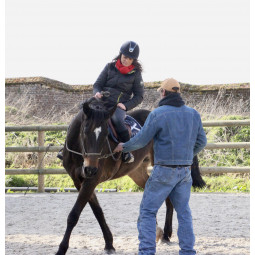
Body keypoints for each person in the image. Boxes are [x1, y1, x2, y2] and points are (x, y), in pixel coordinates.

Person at [114, 78, 207, 255]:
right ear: (178, 93)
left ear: (163, 93)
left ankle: (147, 251)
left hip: (164, 171)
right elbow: (202, 142)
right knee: (184, 213)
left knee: (147, 211)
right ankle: (187, 251)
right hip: (185, 171)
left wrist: (123, 146)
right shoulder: (193, 114)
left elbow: (141, 140)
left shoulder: (158, 114)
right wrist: (187, 155)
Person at [93, 40, 144, 163]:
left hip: (118, 106)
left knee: (117, 121)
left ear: (134, 60)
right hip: (102, 102)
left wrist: (125, 106)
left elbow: (139, 96)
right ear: (121, 54)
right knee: (82, 112)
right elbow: (97, 84)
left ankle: (126, 152)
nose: (126, 60)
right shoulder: (109, 66)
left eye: (130, 59)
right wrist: (97, 92)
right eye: (125, 57)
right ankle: (66, 148)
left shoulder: (136, 74)